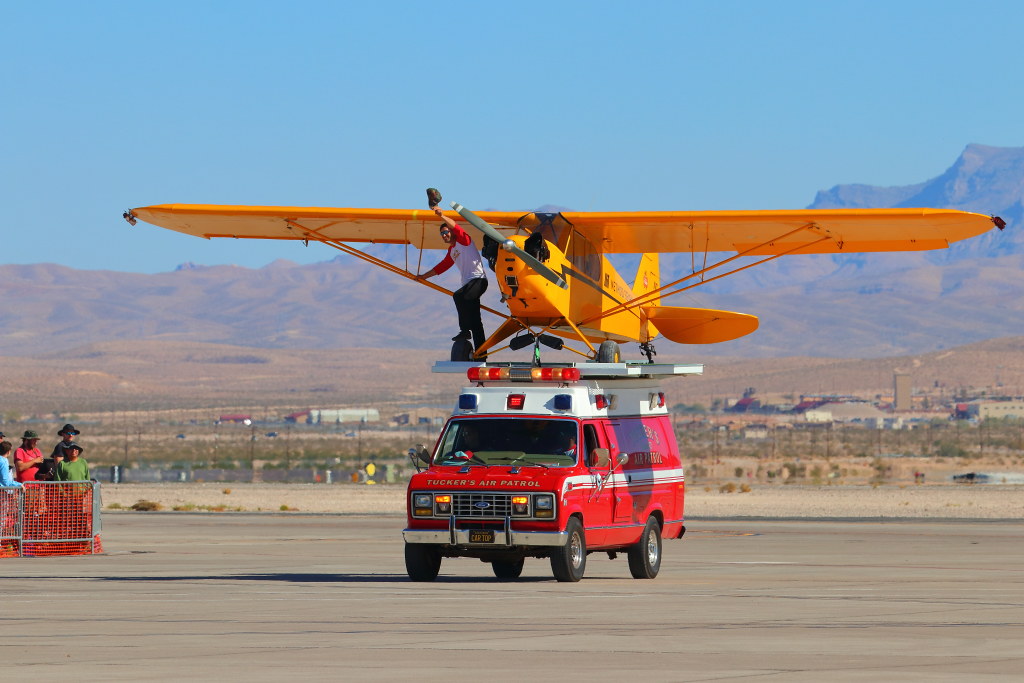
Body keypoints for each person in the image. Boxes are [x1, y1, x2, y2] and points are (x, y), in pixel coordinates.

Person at [415, 206, 488, 357]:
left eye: (446, 232)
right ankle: (481, 355)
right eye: (442, 234)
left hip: (478, 281)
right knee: (476, 323)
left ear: (452, 232)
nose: (444, 235)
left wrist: (441, 215)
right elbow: (442, 266)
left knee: (458, 296)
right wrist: (423, 277)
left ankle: (464, 330)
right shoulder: (451, 251)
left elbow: (456, 226)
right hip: (469, 286)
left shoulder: (464, 241)